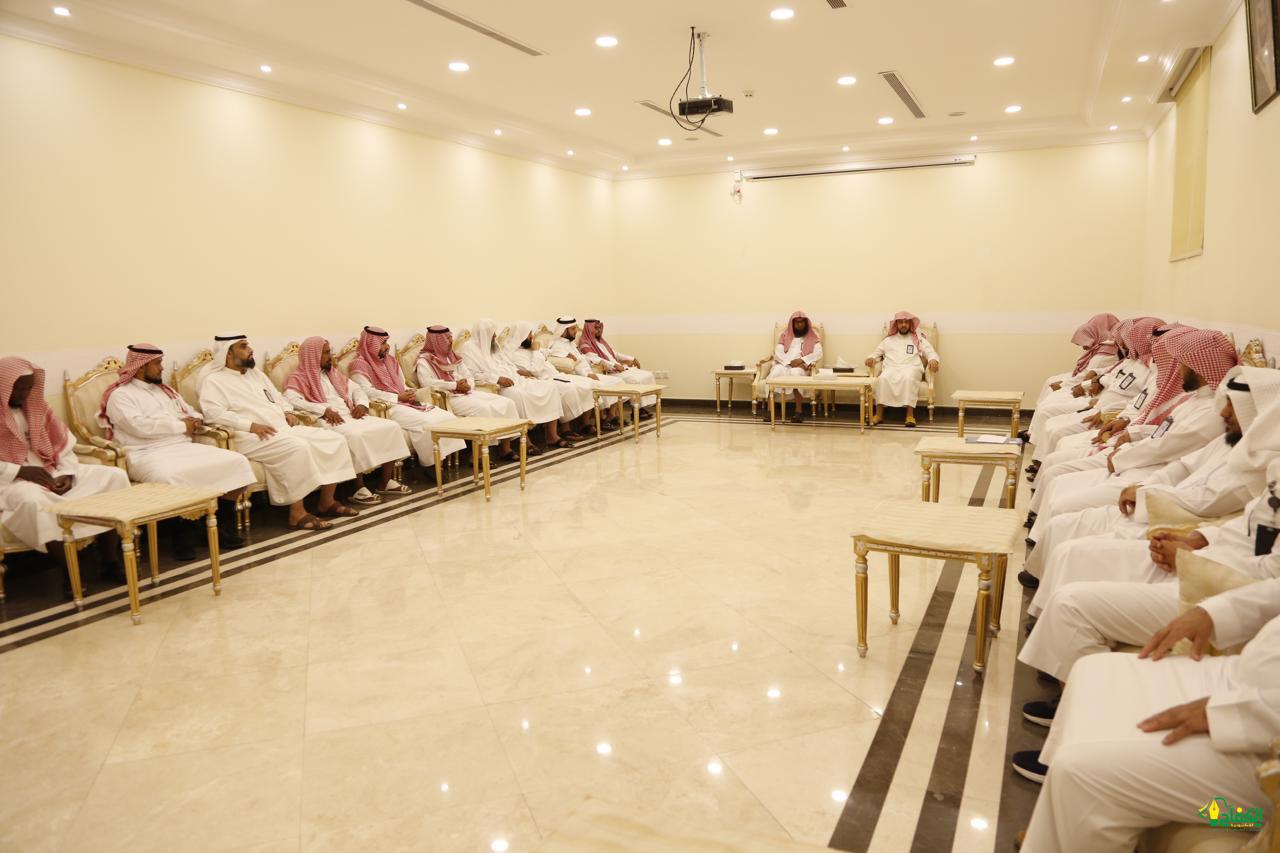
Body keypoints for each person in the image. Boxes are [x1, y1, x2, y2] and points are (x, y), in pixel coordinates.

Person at [1017, 581, 1280, 852]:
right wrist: (1215, 613)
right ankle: (1062, 819)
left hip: (1268, 752)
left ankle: (1068, 814)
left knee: (1080, 774)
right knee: (1095, 670)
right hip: (1245, 676)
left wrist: (1233, 712)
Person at [1020, 365, 1271, 593]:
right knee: (1062, 505)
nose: (1224, 412)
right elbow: (1181, 463)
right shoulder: (1224, 435)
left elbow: (1182, 469)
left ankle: (1048, 584)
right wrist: (1141, 472)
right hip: (1151, 485)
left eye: (1232, 406)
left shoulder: (1254, 461)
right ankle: (1043, 571)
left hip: (1168, 509)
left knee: (1067, 528)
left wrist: (1143, 487)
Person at [1025, 328, 1239, 549]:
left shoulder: (1210, 411)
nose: (1178, 369)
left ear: (1199, 366)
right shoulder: (1194, 399)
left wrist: (1123, 454)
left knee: (1062, 497)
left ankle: (1042, 538)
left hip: (1148, 471)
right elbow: (1162, 432)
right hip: (1138, 459)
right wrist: (1132, 433)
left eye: (1184, 364)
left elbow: (1166, 447)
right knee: (1059, 478)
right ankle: (1040, 531)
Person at [100, 343, 254, 556]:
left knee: (237, 461)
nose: (161, 368)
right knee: (171, 476)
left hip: (182, 446)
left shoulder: (166, 391)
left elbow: (191, 411)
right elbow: (139, 427)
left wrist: (195, 420)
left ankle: (221, 527)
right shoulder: (121, 395)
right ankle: (183, 534)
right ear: (141, 367)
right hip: (145, 453)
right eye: (157, 364)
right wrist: (182, 426)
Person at [198, 334, 356, 531]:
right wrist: (250, 425)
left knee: (334, 439)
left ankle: (326, 502)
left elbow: (278, 398)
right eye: (244, 347)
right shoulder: (213, 381)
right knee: (297, 448)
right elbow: (213, 413)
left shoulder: (256, 374)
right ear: (228, 353)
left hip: (280, 428)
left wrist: (288, 411)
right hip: (249, 436)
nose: (250, 350)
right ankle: (297, 513)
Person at [0, 357, 129, 585]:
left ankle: (109, 561)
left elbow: (64, 443)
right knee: (33, 501)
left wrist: (68, 473)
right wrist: (19, 471)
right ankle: (71, 573)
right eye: (18, 388)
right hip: (11, 483)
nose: (24, 394)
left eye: (28, 388)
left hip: (51, 471)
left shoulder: (37, 407)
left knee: (113, 476)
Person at [283, 336, 411, 504]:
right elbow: (291, 399)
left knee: (391, 426)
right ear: (313, 355)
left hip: (350, 414)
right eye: (326, 353)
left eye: (330, 352)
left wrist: (362, 405)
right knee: (354, 436)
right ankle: (358, 488)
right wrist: (323, 410)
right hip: (327, 420)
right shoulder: (298, 378)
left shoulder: (333, 373)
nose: (331, 356)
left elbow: (357, 389)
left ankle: (385, 482)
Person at [346, 326, 466, 469]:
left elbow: (402, 385)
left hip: (405, 401)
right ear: (372, 344)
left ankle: (443, 461)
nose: (387, 346)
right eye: (383, 343)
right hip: (388, 407)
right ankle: (431, 465)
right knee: (426, 423)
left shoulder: (390, 360)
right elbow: (366, 391)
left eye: (386, 342)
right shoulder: (358, 365)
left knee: (447, 417)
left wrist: (410, 393)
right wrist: (397, 397)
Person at [415, 325, 519, 461]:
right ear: (437, 341)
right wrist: (454, 385)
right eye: (447, 339)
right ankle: (477, 456)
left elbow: (468, 375)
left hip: (467, 392)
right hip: (449, 397)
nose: (451, 341)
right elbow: (427, 383)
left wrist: (468, 384)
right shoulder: (424, 361)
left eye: (450, 338)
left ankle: (505, 448)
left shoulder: (452, 357)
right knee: (483, 409)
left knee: (507, 403)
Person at [461, 318, 567, 450]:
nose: (495, 336)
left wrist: (519, 373)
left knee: (550, 387)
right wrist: (497, 378)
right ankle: (525, 440)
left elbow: (506, 363)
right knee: (518, 395)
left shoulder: (493, 346)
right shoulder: (469, 349)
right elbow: (472, 374)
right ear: (483, 334)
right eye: (492, 333)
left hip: (514, 378)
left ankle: (552, 435)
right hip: (497, 385)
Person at [505, 321, 592, 439]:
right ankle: (565, 429)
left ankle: (584, 424)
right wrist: (536, 352)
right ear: (521, 335)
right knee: (568, 388)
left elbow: (549, 351)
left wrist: (564, 354)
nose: (532, 336)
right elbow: (536, 371)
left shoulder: (530, 348)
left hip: (556, 375)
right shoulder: (515, 354)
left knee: (588, 383)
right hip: (544, 379)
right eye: (529, 334)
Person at [547, 317, 625, 427]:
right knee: (595, 386)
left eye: (575, 328)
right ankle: (586, 423)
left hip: (589, 372)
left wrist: (599, 362)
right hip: (578, 375)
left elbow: (582, 357)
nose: (576, 331)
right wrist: (587, 374)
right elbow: (569, 364)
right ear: (564, 330)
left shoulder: (570, 343)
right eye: (573, 329)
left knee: (618, 382)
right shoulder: (557, 345)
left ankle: (610, 416)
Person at [866, 311, 939, 427]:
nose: (903, 325)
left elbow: (930, 352)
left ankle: (910, 416)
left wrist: (933, 360)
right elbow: (876, 353)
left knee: (908, 378)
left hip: (912, 367)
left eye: (906, 322)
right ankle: (879, 415)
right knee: (882, 379)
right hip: (891, 368)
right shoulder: (888, 340)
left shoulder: (918, 339)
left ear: (910, 324)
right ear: (896, 324)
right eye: (900, 322)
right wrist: (870, 358)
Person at [578, 319, 658, 414]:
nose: (599, 330)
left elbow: (615, 354)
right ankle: (636, 409)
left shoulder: (601, 341)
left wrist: (632, 358)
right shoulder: (585, 344)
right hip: (609, 372)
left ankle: (641, 408)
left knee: (648, 375)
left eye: (600, 328)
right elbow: (595, 359)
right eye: (596, 328)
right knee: (635, 380)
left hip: (619, 368)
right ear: (589, 329)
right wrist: (614, 365)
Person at [766, 311, 823, 423]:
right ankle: (770, 410)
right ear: (792, 324)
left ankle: (798, 411)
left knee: (795, 374)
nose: (799, 325)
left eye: (802, 322)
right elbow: (778, 352)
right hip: (784, 364)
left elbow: (818, 353)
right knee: (774, 373)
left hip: (801, 367)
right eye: (797, 322)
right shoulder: (784, 335)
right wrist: (789, 362)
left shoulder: (813, 336)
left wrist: (802, 360)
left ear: (805, 323)